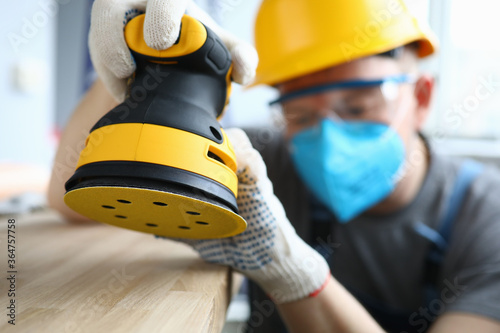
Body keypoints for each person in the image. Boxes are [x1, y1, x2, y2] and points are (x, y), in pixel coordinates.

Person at [47, 0, 500, 332]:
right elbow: (70, 196)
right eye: (300, 115)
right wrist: (146, 68)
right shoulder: (257, 163)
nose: (327, 137)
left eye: (358, 108)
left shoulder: (486, 218)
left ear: (420, 97)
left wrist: (293, 271)